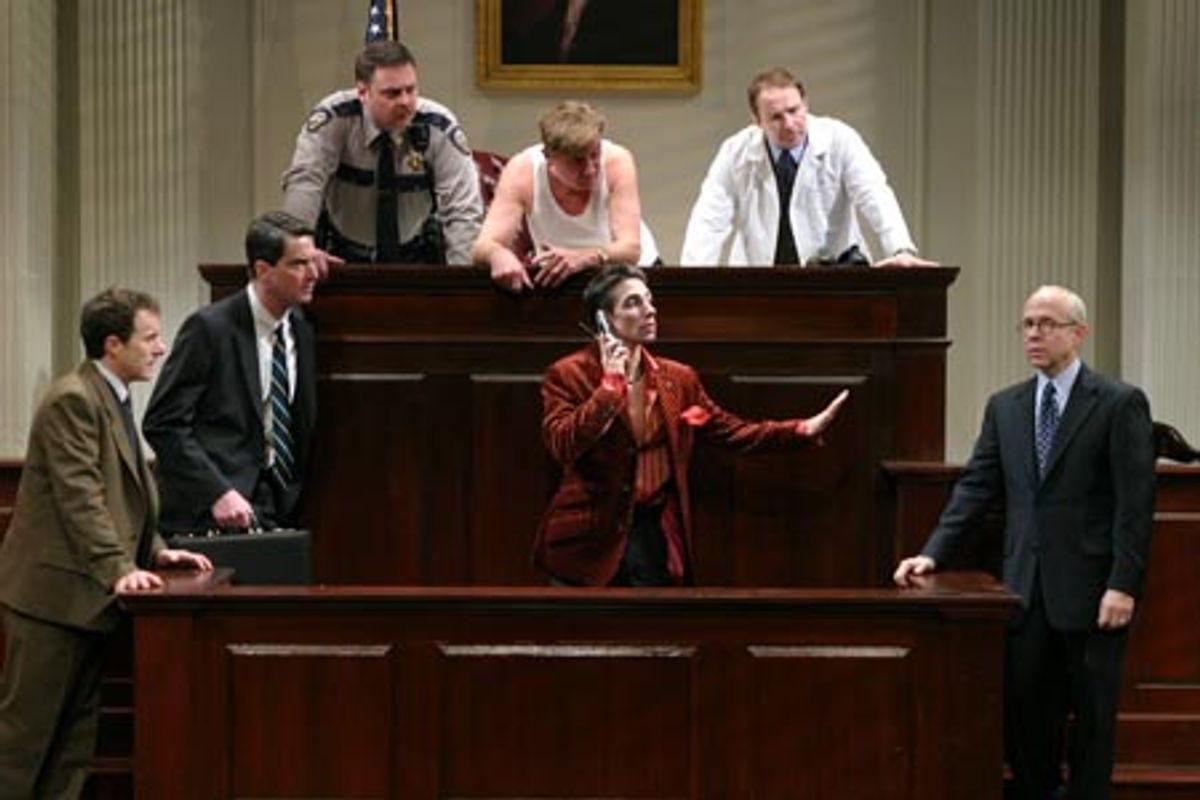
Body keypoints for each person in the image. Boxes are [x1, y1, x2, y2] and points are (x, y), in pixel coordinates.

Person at [893, 285, 1155, 800]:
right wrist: (933, 551)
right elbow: (976, 487)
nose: (1034, 334)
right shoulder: (1006, 406)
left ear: (1077, 334)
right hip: (1023, 592)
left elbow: (1134, 505)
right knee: (1027, 719)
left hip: (1093, 591)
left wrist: (1123, 584)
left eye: (1047, 324)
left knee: (1093, 722)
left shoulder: (1118, 403)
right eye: (1028, 324)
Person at [0, 289, 213, 798]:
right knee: (26, 744)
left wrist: (156, 550)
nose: (160, 348)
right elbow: (81, 498)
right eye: (151, 337)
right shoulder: (73, 398)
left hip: (87, 602)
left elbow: (125, 495)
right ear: (113, 344)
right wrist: (119, 568)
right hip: (52, 601)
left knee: (74, 745)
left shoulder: (112, 396)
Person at [535, 264, 849, 586]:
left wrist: (800, 429)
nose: (649, 311)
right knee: (589, 634)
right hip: (589, 535)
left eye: (649, 300)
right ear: (604, 319)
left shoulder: (678, 379)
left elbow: (730, 430)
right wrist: (609, 388)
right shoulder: (568, 375)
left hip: (651, 530)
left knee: (654, 631)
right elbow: (563, 444)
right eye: (633, 303)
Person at [144, 212, 319, 533]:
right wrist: (216, 492)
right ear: (263, 271)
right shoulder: (210, 329)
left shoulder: (301, 331)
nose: (313, 274)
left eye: (313, 261)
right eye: (298, 264)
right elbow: (162, 424)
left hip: (277, 508)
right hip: (209, 512)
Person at [680, 66, 939, 268]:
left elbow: (875, 194)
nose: (789, 124)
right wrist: (690, 279)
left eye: (794, 110)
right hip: (758, 277)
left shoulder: (839, 139)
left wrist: (900, 249)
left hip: (834, 274)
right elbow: (709, 219)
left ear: (806, 104)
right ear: (756, 120)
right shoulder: (735, 152)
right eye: (776, 117)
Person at [281, 40, 483, 264]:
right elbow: (305, 183)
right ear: (363, 92)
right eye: (392, 93)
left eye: (411, 89)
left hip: (416, 257)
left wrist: (463, 283)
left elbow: (463, 212)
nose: (405, 101)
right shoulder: (336, 119)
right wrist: (301, 254)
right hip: (340, 257)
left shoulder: (437, 126)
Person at [470, 101, 660, 293]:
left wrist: (586, 257)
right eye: (577, 161)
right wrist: (498, 255)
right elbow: (482, 247)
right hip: (561, 278)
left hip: (628, 273)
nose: (590, 169)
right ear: (549, 156)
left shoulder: (617, 161)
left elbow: (631, 250)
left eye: (595, 155)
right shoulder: (523, 171)